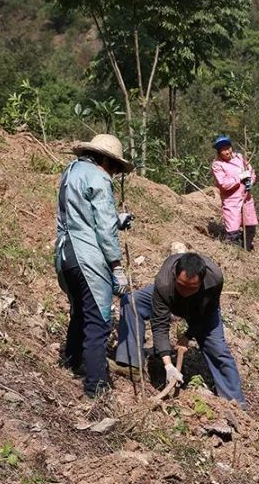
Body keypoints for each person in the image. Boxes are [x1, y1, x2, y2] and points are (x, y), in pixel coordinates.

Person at [54, 133, 133, 398]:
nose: (113, 173)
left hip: (65, 255)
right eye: (114, 168)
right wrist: (117, 266)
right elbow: (104, 229)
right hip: (87, 256)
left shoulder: (72, 171)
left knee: (80, 311)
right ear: (107, 161)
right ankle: (96, 387)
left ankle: (72, 361)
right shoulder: (99, 176)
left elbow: (80, 211)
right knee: (99, 321)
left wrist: (116, 218)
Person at [133, 252, 247, 409]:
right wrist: (168, 365)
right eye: (182, 285)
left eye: (192, 287)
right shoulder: (164, 282)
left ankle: (236, 403)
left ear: (201, 281)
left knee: (218, 350)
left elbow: (206, 315)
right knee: (132, 301)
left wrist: (187, 336)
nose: (186, 291)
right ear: (175, 276)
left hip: (202, 309)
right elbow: (160, 324)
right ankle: (130, 362)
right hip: (171, 299)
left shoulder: (214, 279)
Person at [211, 135, 258, 251]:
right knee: (233, 230)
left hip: (246, 197)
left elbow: (251, 172)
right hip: (231, 200)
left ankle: (246, 249)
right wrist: (239, 177)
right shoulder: (217, 164)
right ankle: (234, 253)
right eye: (223, 150)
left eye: (228, 148)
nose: (227, 151)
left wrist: (250, 181)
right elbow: (223, 184)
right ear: (219, 151)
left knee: (250, 225)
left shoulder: (240, 158)